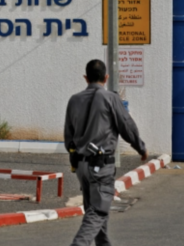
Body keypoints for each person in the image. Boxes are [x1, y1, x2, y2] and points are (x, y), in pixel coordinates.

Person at [64, 59, 147, 246]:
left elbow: (68, 137)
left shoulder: (74, 100)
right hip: (100, 166)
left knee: (94, 210)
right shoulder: (110, 98)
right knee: (98, 212)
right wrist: (140, 148)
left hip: (81, 167)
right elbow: (126, 126)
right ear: (106, 77)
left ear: (86, 78)